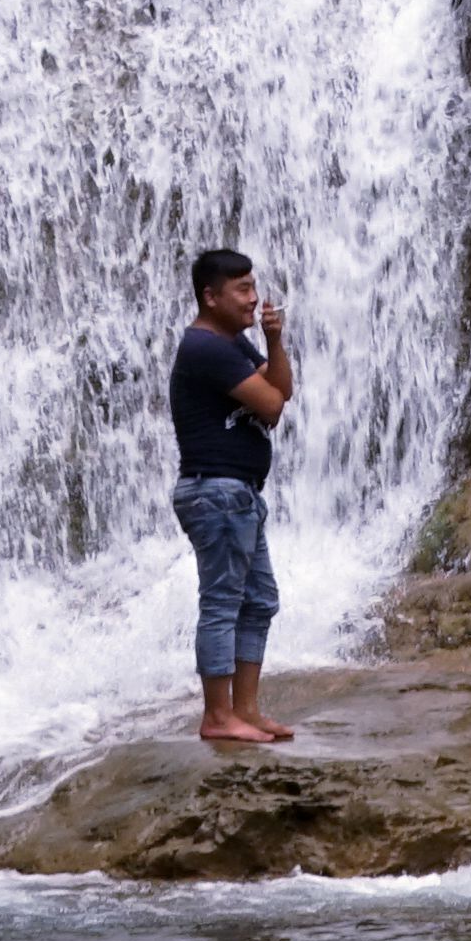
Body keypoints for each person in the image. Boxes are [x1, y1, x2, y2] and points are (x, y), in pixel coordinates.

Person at [170, 245, 294, 745]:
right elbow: (271, 404)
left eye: (253, 286)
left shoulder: (233, 343)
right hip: (215, 491)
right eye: (241, 289)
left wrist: (273, 339)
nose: (253, 298)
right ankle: (217, 716)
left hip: (237, 494)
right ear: (210, 296)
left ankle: (245, 709)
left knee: (259, 601)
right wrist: (269, 374)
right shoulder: (206, 348)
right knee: (223, 602)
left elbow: (281, 389)